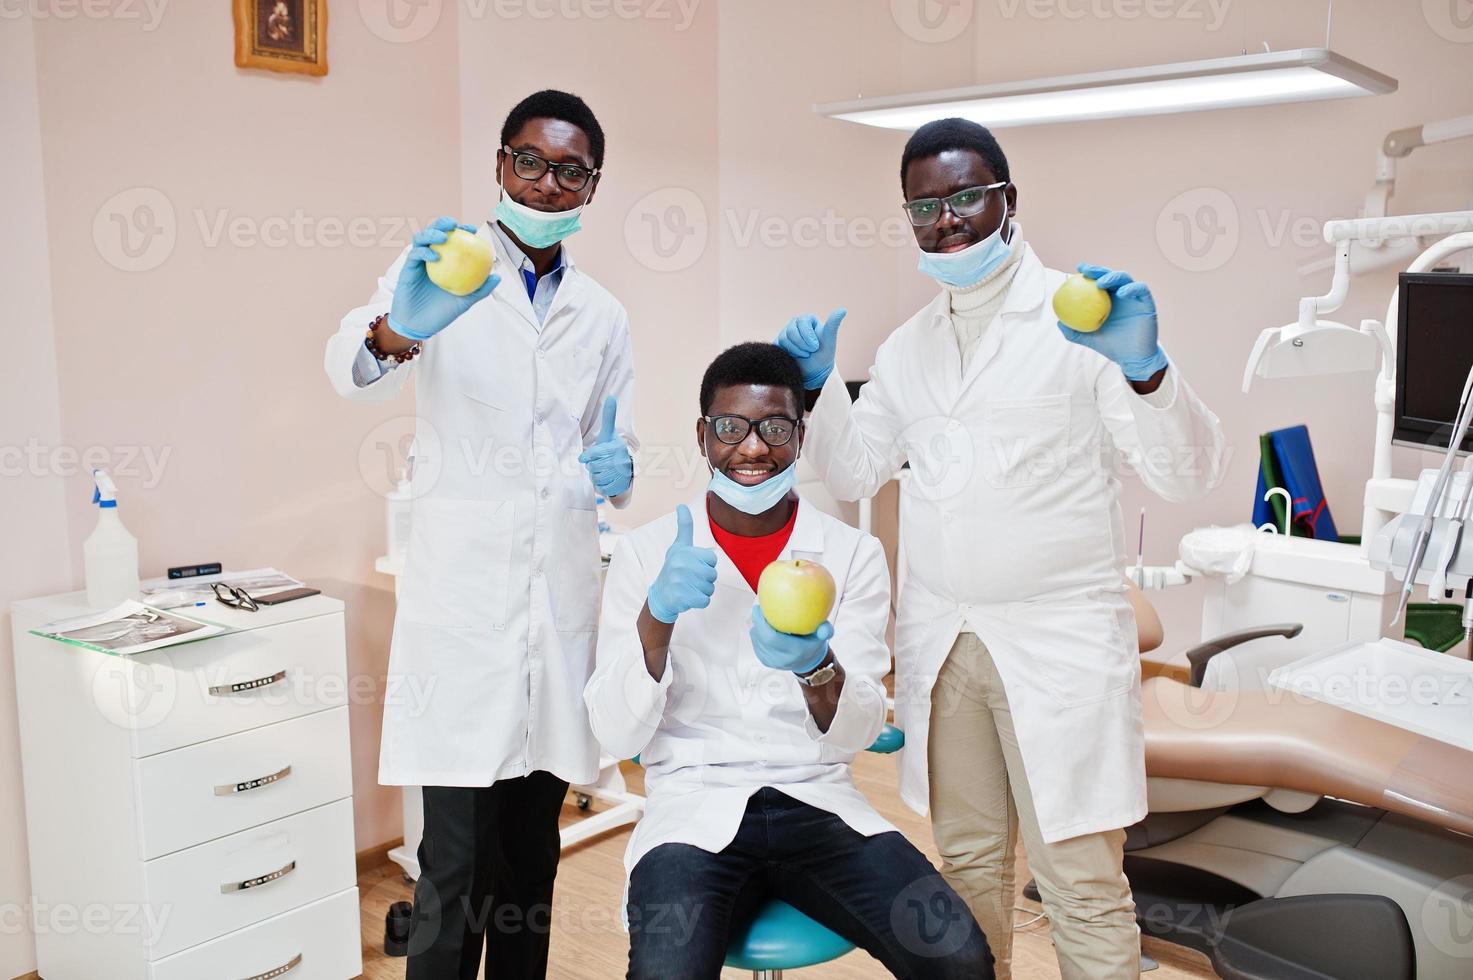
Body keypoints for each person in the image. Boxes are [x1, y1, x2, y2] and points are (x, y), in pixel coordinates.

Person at [776, 118, 1225, 980]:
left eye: (964, 197)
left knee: (1081, 886)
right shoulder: (907, 349)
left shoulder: (1078, 324)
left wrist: (1145, 369)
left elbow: (1185, 472)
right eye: (923, 206)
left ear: (1008, 199)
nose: (945, 220)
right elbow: (854, 467)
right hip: (947, 647)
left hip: (1057, 646)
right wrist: (817, 386)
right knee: (966, 871)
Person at [324, 89, 636, 980]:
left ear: (592, 185)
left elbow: (610, 438)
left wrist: (615, 469)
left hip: (557, 608)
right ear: (500, 166)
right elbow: (350, 368)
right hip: (461, 617)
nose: (546, 183)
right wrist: (399, 330)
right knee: (453, 868)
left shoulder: (604, 314)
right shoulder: (441, 272)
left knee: (531, 858)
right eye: (529, 162)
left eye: (568, 170)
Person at [584, 343, 993, 980]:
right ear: (703, 435)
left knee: (960, 960)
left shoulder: (850, 553)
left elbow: (856, 731)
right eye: (731, 427)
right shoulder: (647, 554)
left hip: (818, 800)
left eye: (775, 427)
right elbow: (615, 732)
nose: (752, 448)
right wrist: (656, 617)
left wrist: (815, 665)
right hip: (693, 806)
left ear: (799, 436)